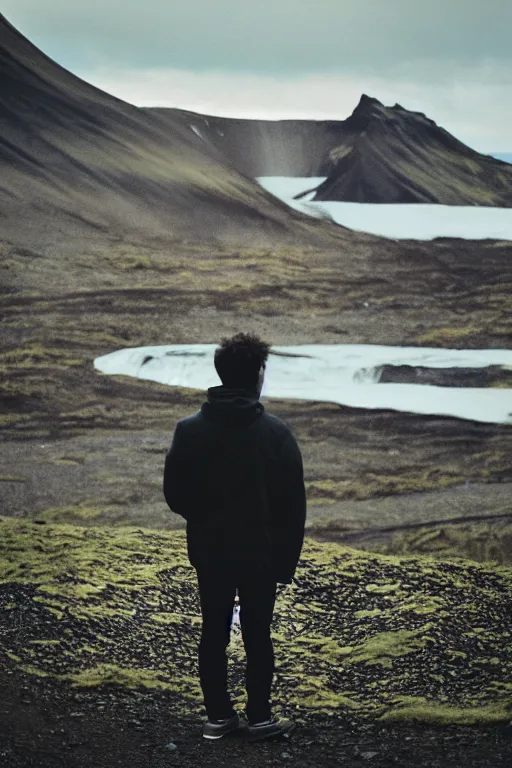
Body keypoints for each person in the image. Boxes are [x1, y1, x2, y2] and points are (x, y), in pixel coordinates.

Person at [163, 332, 306, 741]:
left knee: (213, 630)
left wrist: (205, 520)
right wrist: (284, 561)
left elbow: (175, 494)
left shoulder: (188, 430)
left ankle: (218, 716)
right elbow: (292, 505)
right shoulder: (275, 434)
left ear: (221, 374)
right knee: (258, 632)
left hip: (210, 551)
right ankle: (260, 716)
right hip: (261, 554)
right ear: (257, 375)